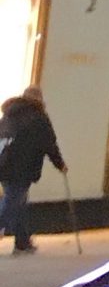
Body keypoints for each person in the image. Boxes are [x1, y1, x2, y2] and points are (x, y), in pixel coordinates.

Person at [0, 87, 65, 255]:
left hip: (4, 164)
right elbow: (50, 144)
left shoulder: (9, 114)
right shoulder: (39, 117)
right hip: (23, 167)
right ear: (39, 99)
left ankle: (23, 243)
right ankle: (20, 241)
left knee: (18, 203)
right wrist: (60, 165)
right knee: (12, 202)